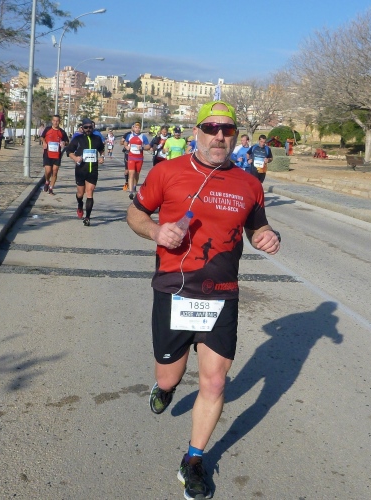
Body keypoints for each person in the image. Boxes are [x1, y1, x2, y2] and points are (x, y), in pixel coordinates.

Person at [126, 100, 281, 500]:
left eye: (227, 130)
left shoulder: (249, 184)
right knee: (169, 376)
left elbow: (257, 227)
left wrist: (267, 236)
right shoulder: (167, 172)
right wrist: (156, 232)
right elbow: (135, 215)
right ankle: (165, 389)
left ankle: (193, 459)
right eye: (211, 128)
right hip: (174, 291)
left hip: (222, 296)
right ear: (196, 132)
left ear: (235, 136)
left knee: (214, 381)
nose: (219, 136)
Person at [65, 118, 104, 227]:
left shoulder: (97, 138)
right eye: (86, 127)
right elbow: (69, 151)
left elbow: (101, 149)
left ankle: (87, 217)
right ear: (82, 128)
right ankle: (79, 204)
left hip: (93, 170)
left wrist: (102, 157)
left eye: (90, 127)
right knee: (80, 194)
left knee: (90, 192)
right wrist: (75, 158)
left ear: (93, 127)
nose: (88, 129)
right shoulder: (78, 139)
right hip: (81, 170)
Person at [40, 114, 69, 195]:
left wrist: (64, 143)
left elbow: (67, 142)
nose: (56, 122)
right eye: (54, 121)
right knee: (48, 171)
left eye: (57, 121)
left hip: (57, 154)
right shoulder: (47, 129)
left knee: (55, 171)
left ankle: (51, 188)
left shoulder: (62, 132)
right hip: (47, 153)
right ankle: (47, 181)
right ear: (52, 121)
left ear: (59, 122)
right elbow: (42, 137)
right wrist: (44, 142)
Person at [123, 121, 150, 199]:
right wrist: (127, 147)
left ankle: (134, 186)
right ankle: (131, 192)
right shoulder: (129, 136)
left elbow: (148, 146)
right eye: (136, 127)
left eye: (138, 128)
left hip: (139, 158)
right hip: (131, 157)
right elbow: (125, 143)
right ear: (133, 128)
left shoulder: (143, 137)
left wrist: (142, 148)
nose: (137, 129)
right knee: (131, 174)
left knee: (136, 174)